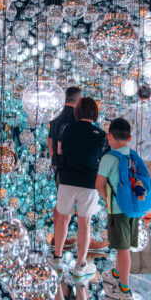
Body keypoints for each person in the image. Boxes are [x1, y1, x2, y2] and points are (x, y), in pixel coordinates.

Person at [52, 97, 106, 278]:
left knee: (63, 220)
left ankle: (57, 258)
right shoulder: (100, 134)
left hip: (67, 179)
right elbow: (102, 159)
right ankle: (81, 265)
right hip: (89, 182)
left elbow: (60, 151)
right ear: (94, 113)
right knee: (84, 223)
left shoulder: (67, 130)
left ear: (77, 112)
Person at [96, 119, 138, 300]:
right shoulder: (133, 155)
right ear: (129, 137)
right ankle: (115, 273)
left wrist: (106, 199)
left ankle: (124, 289)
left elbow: (99, 184)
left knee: (123, 249)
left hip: (117, 208)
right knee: (125, 244)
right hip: (133, 207)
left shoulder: (108, 158)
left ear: (109, 137)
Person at [124, 85, 151, 180]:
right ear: (150, 95)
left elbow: (126, 128)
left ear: (138, 96)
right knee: (148, 181)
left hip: (133, 150)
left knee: (133, 180)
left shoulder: (132, 108)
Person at [48, 86, 81, 185]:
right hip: (72, 164)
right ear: (79, 100)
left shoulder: (56, 114)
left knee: (61, 194)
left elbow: (50, 138)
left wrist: (52, 156)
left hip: (57, 161)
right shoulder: (77, 115)